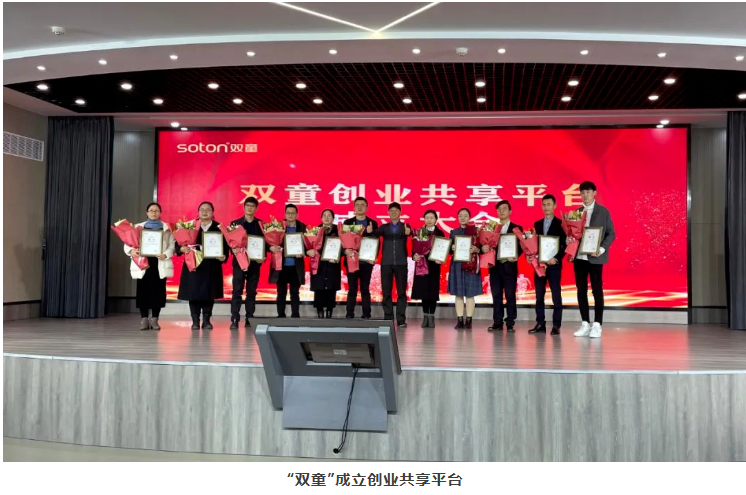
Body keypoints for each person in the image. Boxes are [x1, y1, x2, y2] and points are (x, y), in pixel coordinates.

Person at [569, 181, 616, 339]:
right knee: (581, 290)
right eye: (582, 192)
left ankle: (597, 324)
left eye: (588, 192)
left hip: (595, 257)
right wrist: (569, 240)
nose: (585, 195)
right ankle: (585, 323)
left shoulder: (603, 211)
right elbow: (571, 234)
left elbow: (611, 233)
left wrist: (601, 249)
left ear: (594, 193)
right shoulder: (576, 212)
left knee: (597, 290)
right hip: (579, 258)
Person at [177, 201, 229, 331]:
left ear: (213, 212)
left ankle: (206, 320)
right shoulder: (190, 225)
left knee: (209, 294)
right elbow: (177, 243)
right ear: (198, 212)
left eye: (208, 209)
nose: (205, 212)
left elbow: (226, 246)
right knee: (193, 293)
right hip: (194, 264)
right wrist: (181, 249)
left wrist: (224, 256)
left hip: (212, 265)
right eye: (202, 209)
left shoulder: (219, 227)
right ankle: (195, 321)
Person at [125, 202, 175, 331]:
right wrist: (132, 251)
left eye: (156, 210)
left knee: (158, 292)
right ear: (147, 213)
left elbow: (172, 245)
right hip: (143, 262)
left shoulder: (166, 228)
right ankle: (144, 319)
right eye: (151, 210)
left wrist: (166, 254)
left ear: (160, 213)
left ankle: (155, 319)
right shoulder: (138, 227)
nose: (154, 212)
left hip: (159, 263)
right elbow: (127, 244)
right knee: (143, 291)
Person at [369, 202, 411, 328]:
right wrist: (370, 232)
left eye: (396, 210)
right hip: (386, 263)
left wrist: (409, 233)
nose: (393, 213)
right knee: (386, 292)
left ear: (400, 212)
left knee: (401, 292)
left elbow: (412, 234)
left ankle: (401, 320)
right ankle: (388, 317)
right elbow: (374, 235)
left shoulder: (405, 226)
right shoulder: (384, 227)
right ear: (388, 212)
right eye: (391, 211)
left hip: (401, 263)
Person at [529, 194, 567, 335]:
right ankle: (540, 323)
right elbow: (533, 245)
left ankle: (556, 325)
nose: (546, 207)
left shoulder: (561, 224)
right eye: (544, 205)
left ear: (555, 205)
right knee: (539, 295)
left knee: (556, 295)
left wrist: (556, 258)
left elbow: (565, 246)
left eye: (549, 204)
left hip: (554, 265)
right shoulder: (537, 224)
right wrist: (531, 256)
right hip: (539, 266)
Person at [485, 200, 523, 332]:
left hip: (509, 267)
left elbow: (522, 245)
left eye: (504, 209)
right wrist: (484, 247)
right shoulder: (492, 228)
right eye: (499, 209)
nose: (501, 211)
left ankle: (510, 322)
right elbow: (486, 243)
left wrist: (516, 255)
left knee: (510, 295)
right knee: (496, 295)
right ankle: (497, 322)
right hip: (494, 267)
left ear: (510, 211)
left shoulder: (516, 228)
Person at [229, 196, 264, 331]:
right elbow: (229, 242)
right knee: (237, 290)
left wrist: (263, 256)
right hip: (239, 262)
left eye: (252, 206)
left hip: (255, 263)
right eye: (247, 205)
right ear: (244, 207)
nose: (250, 208)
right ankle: (234, 318)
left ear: (256, 208)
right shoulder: (235, 223)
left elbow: (266, 242)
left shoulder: (261, 224)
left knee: (251, 291)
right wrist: (232, 249)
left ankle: (250, 317)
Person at [343, 197, 379, 319]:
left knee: (365, 289)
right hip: (351, 260)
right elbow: (343, 242)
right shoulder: (348, 223)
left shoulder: (372, 223)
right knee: (352, 289)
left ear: (367, 208)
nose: (359, 207)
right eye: (357, 205)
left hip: (366, 261)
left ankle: (366, 314)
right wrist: (345, 251)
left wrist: (371, 232)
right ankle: (349, 313)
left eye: (362, 205)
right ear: (354, 207)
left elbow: (376, 241)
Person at [269, 204, 306, 318]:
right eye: (288, 213)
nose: (290, 215)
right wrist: (270, 248)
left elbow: (308, 245)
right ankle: (281, 315)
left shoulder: (302, 227)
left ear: (297, 214)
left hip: (296, 266)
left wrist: (304, 252)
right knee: (281, 292)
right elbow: (269, 242)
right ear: (285, 214)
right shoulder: (277, 227)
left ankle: (295, 315)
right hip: (281, 265)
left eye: (293, 213)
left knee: (295, 292)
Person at [448, 208, 483, 329]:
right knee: (458, 294)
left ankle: (469, 320)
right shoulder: (453, 232)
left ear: (470, 217)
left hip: (471, 264)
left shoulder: (476, 231)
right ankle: (459, 320)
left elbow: (482, 249)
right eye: (460, 216)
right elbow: (448, 251)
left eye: (465, 216)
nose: (463, 218)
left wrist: (477, 249)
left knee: (470, 294)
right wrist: (451, 248)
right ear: (458, 217)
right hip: (457, 264)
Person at [411, 210, 445, 328]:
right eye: (427, 218)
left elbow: (443, 248)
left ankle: (431, 317)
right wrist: (414, 256)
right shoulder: (420, 232)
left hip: (434, 265)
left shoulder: (439, 233)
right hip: (422, 264)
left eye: (431, 218)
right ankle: (425, 316)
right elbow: (414, 248)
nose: (429, 220)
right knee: (424, 291)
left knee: (433, 291)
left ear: (436, 220)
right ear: (424, 219)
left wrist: (441, 258)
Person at [307, 209, 341, 318]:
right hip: (318, 264)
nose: (326, 218)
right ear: (321, 218)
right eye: (324, 215)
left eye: (329, 215)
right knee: (319, 286)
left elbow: (344, 247)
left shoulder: (339, 231)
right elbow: (307, 245)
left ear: (333, 218)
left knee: (331, 286)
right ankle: (320, 311)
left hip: (332, 263)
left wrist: (338, 256)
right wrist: (308, 251)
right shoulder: (315, 230)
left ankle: (330, 311)